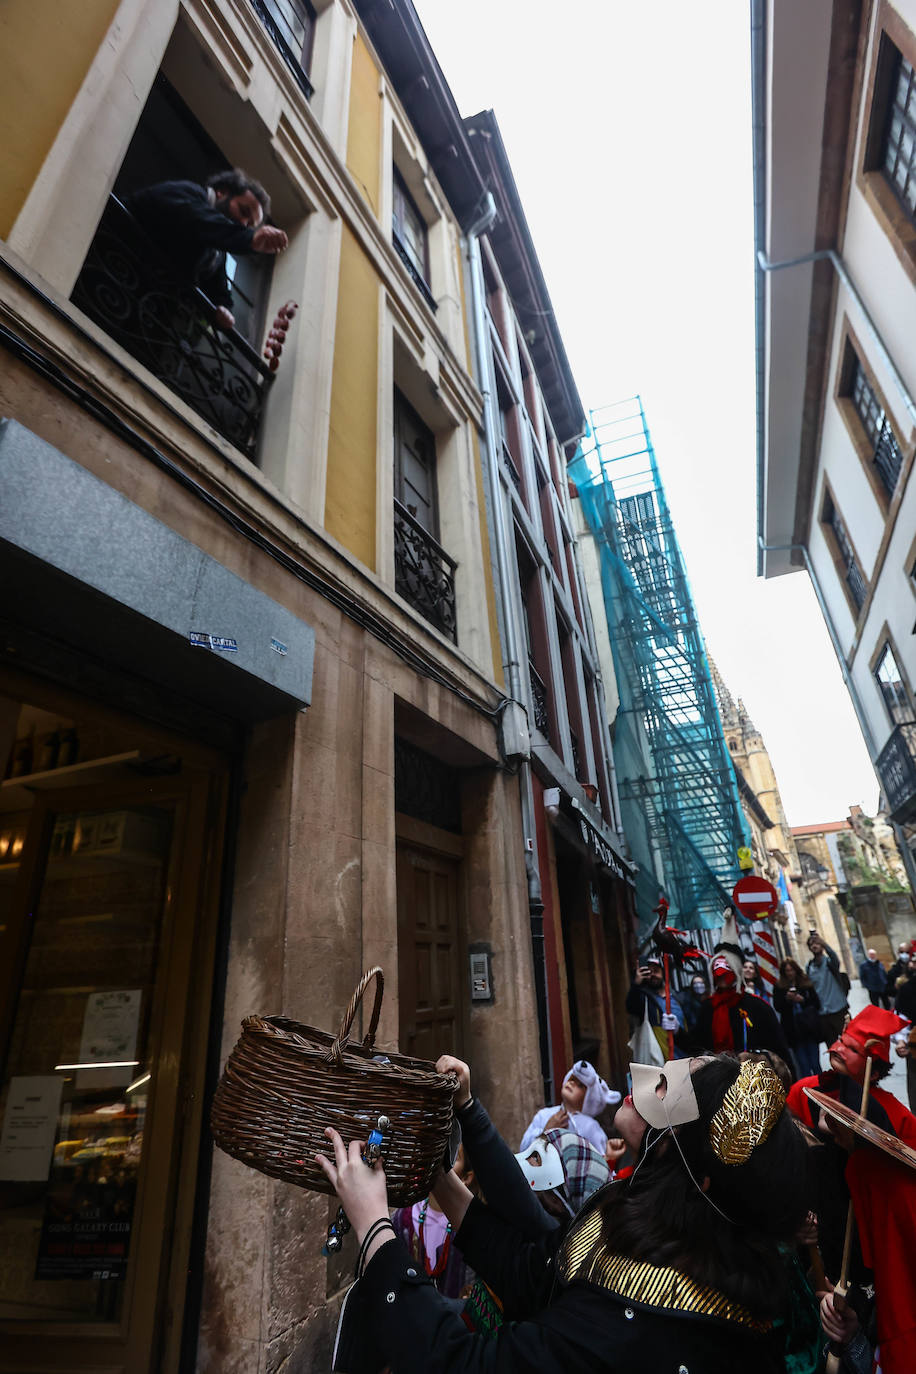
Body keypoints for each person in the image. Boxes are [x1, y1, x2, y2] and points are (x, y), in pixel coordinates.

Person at [319, 1051, 808, 1374]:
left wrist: (376, 1228)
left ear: (687, 1166)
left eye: (670, 1086)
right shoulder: (645, 1219)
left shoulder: (638, 1329)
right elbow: (536, 1268)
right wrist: (437, 1174)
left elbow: (459, 1364)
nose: (647, 1076)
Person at [126, 168, 288, 330]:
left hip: (133, 313)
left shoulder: (217, 254)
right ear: (222, 192)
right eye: (243, 211)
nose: (243, 224)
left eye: (249, 225)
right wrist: (250, 239)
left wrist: (224, 311)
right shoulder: (188, 192)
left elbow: (220, 294)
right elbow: (198, 221)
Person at [785, 1004, 916, 1146]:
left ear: (872, 1074)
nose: (839, 1049)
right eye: (841, 1040)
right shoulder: (804, 1088)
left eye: (853, 1049)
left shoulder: (890, 1110)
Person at [390, 1144, 476, 1299]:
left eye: (453, 1156)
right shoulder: (401, 1219)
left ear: (466, 1178)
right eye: (439, 1150)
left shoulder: (470, 1228)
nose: (440, 1160)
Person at [519, 1060, 620, 1159]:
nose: (572, 1083)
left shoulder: (590, 1127)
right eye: (571, 1079)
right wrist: (545, 1131)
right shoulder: (544, 1115)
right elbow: (523, 1150)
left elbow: (601, 1162)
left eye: (580, 1085)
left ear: (589, 1098)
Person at [693, 953, 789, 1057]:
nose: (722, 979)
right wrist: (678, 1031)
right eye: (719, 976)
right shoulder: (708, 1007)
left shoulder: (755, 1004)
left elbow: (776, 1043)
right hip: (719, 1069)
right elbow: (697, 1044)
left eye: (725, 975)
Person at [625, 954, 687, 1058]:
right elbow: (631, 1007)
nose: (653, 975)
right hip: (658, 1061)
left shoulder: (679, 998)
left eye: (656, 971)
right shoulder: (644, 999)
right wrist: (636, 984)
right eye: (649, 972)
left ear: (663, 973)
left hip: (683, 1057)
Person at [772, 957, 821, 1078]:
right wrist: (787, 999)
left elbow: (816, 1003)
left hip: (809, 1028)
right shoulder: (779, 987)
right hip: (794, 1031)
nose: (790, 973)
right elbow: (778, 1006)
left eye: (791, 970)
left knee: (815, 1063)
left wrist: (803, 1000)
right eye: (787, 971)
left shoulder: (805, 984)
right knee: (803, 1065)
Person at [805, 933, 848, 1047]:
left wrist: (824, 944)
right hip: (822, 1013)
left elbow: (835, 958)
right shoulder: (809, 967)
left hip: (838, 1008)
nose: (814, 946)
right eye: (811, 944)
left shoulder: (829, 962)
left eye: (817, 943)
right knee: (832, 1046)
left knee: (849, 1040)